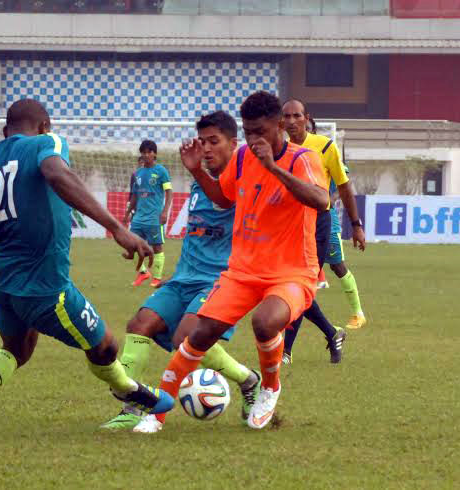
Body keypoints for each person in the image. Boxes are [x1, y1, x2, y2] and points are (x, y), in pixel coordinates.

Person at [0, 99, 173, 440]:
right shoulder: (47, 143)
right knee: (106, 347)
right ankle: (129, 390)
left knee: (17, 350)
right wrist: (118, 228)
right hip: (46, 286)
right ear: (45, 125)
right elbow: (56, 173)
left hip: (2, 283)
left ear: (5, 132)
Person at [134, 91, 329, 433]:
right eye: (249, 131)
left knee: (266, 322)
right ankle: (157, 413)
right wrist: (197, 171)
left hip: (292, 271)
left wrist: (272, 167)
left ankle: (269, 387)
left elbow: (321, 199)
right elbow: (223, 199)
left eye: (261, 131)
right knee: (197, 334)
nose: (254, 139)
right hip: (242, 271)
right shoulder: (242, 159)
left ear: (280, 125)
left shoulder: (303, 159)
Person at [102, 111, 260, 430]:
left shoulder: (242, 180)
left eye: (214, 141)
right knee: (139, 324)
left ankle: (248, 381)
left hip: (220, 282)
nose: (206, 148)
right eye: (202, 142)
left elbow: (227, 200)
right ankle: (133, 407)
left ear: (234, 143)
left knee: (185, 338)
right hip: (184, 278)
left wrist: (197, 171)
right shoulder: (200, 182)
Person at [281, 100, 365, 366]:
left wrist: (356, 224)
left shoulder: (325, 146)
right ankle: (331, 333)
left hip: (317, 224)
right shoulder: (279, 150)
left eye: (297, 115)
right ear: (281, 121)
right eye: (287, 116)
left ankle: (285, 352)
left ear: (307, 118)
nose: (292, 120)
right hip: (288, 225)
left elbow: (343, 185)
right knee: (290, 286)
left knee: (300, 286)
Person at [123, 140, 172, 287]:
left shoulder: (161, 171)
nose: (145, 155)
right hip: (138, 218)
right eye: (143, 152)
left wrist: (165, 212)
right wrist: (127, 213)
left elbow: (169, 192)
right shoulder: (138, 174)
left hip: (154, 217)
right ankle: (144, 272)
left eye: (148, 152)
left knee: (157, 247)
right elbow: (134, 196)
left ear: (154, 153)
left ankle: (156, 278)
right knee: (132, 245)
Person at [325, 175, 366, 329]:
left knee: (338, 266)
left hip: (328, 221)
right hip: (306, 220)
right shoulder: (302, 153)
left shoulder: (329, 153)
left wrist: (330, 199)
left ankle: (358, 314)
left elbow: (344, 184)